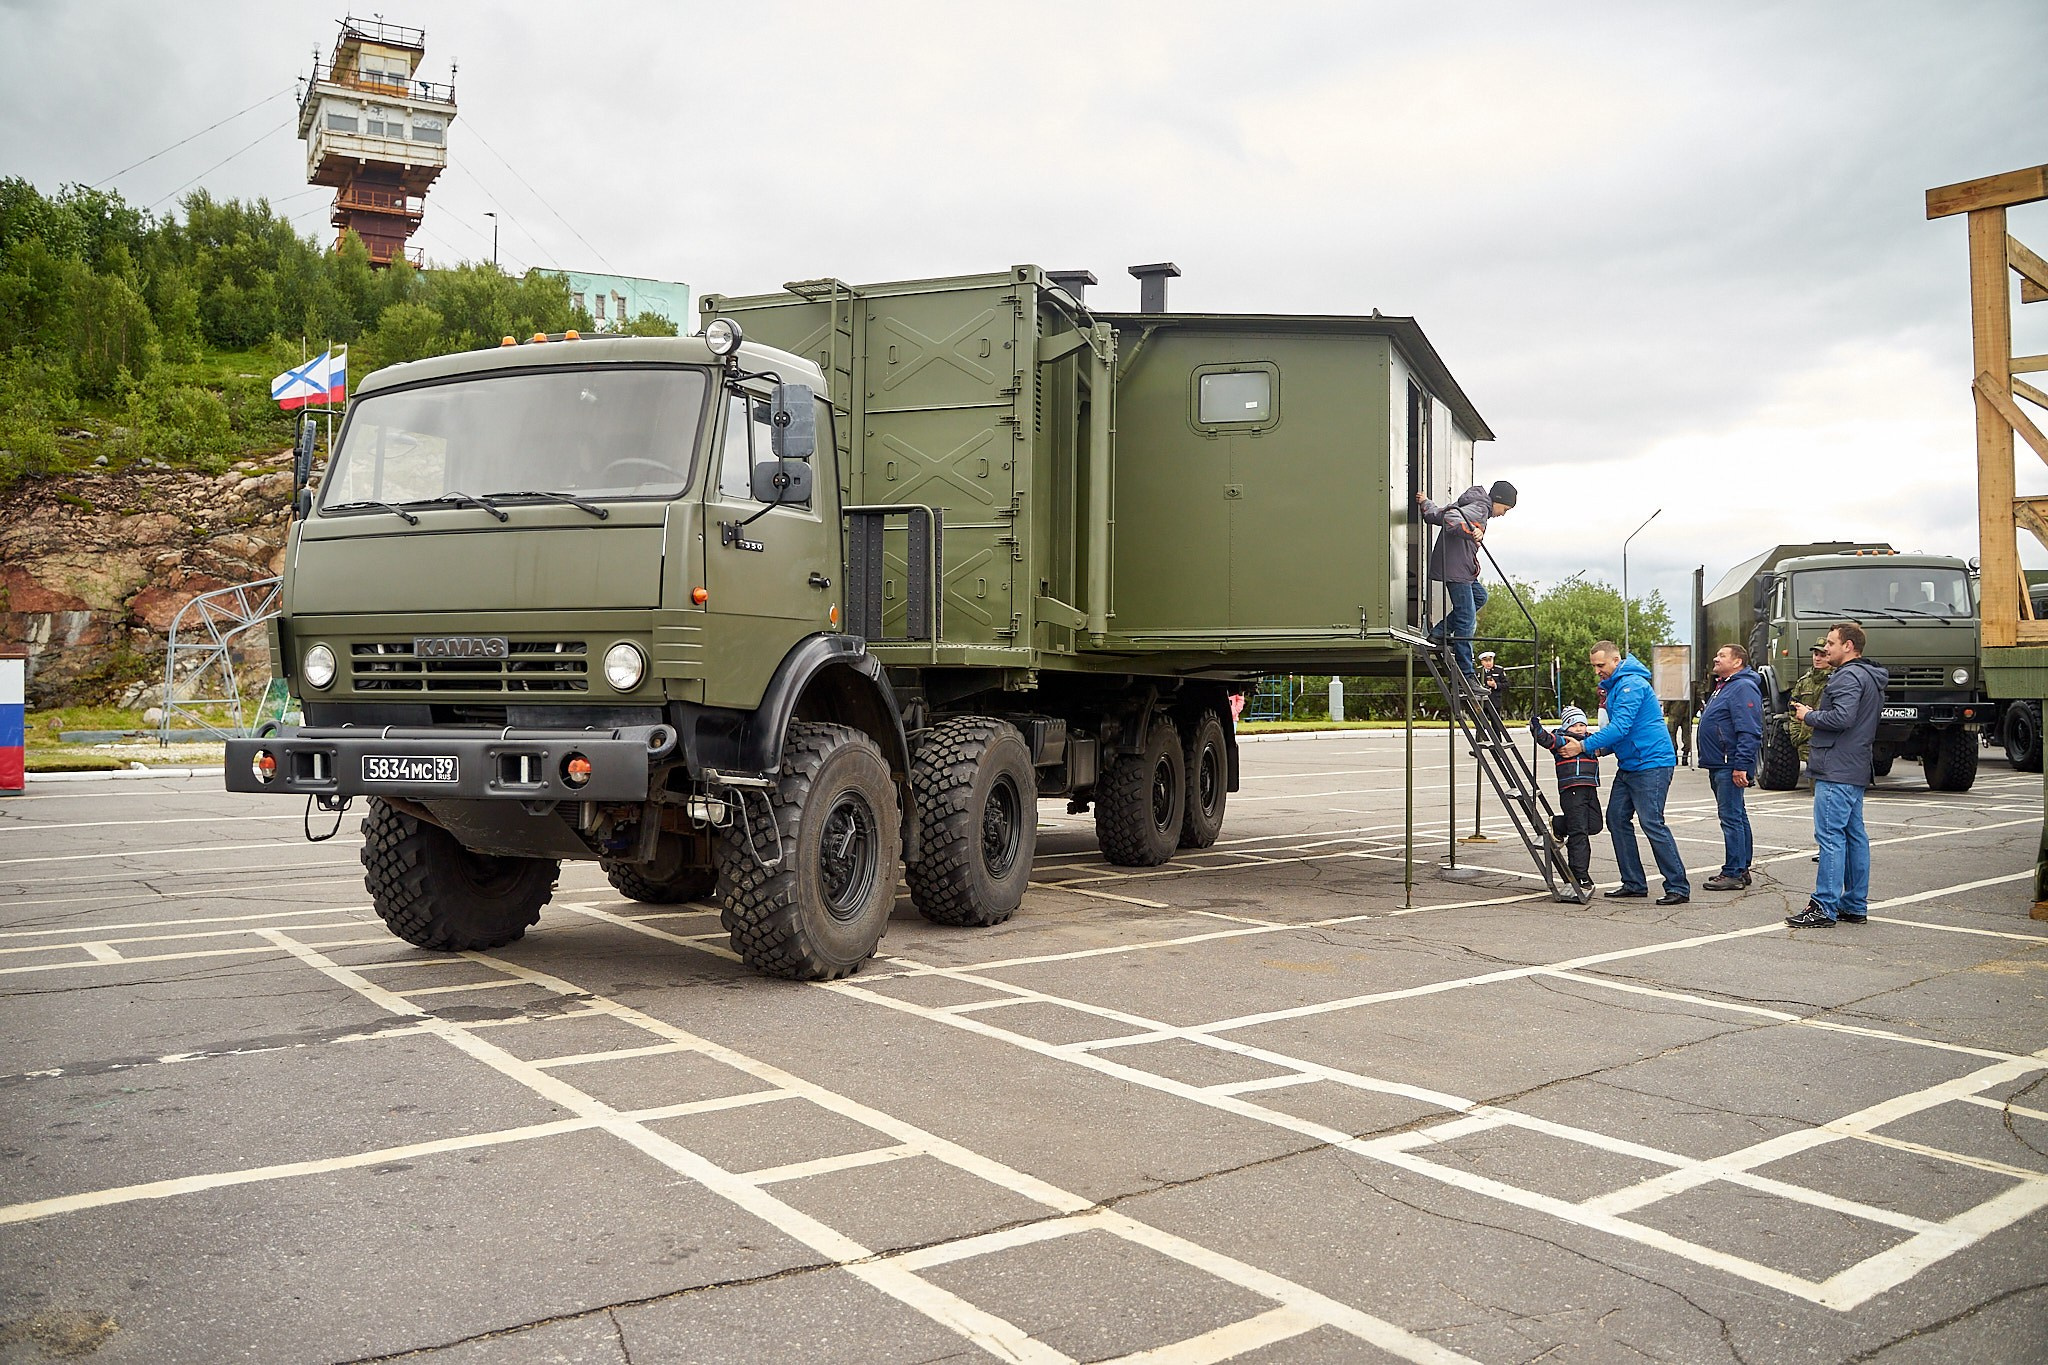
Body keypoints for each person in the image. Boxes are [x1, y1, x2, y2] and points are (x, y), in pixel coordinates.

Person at [1560, 641, 1690, 905]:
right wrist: (1599, 749)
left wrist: (1583, 746)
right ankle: (1633, 882)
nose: (1597, 671)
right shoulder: (1616, 686)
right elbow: (1623, 733)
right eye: (1594, 666)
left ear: (1616, 660)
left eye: (1600, 665)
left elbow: (1620, 727)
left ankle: (1678, 886)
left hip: (1651, 763)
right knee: (1616, 818)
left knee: (1652, 822)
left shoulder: (1632, 685)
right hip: (1631, 764)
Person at [1785, 622, 1888, 927]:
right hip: (1853, 765)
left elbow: (1843, 717)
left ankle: (1823, 906)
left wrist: (1809, 715)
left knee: (1830, 837)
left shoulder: (1847, 676)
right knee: (1854, 837)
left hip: (1836, 767)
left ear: (1848, 646)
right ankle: (1853, 904)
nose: (1825, 648)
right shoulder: (1868, 675)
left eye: (1830, 643)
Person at [1416, 480, 1516, 677]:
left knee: (1480, 597)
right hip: (1458, 570)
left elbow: (1439, 514)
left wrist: (1426, 503)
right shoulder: (1480, 509)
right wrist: (1472, 531)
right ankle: (1467, 673)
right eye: (1505, 509)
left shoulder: (1471, 505)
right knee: (1466, 619)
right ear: (1497, 500)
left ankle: (1440, 632)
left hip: (1463, 569)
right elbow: (1451, 518)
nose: (1503, 514)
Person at [1697, 643, 1764, 891]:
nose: (1716, 658)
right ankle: (1741, 868)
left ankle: (1733, 872)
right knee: (1736, 815)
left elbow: (1749, 730)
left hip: (1729, 763)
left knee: (1731, 818)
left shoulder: (1742, 687)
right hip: (1720, 763)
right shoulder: (1725, 686)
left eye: (1722, 655)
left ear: (1737, 662)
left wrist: (1741, 765)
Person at [1530, 704, 1601, 897]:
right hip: (1572, 790)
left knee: (1594, 825)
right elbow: (1547, 740)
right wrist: (1536, 727)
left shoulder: (1591, 740)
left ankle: (1559, 824)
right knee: (1579, 833)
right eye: (1574, 725)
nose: (1579, 729)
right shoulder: (1563, 739)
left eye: (1582, 724)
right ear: (1566, 726)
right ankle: (1580, 874)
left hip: (1590, 788)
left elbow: (1608, 744)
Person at [1783, 642, 1832, 761]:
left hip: (1828, 744)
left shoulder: (1836, 681)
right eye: (1815, 654)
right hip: (1806, 744)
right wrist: (1797, 736)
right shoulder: (1804, 682)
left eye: (1822, 655)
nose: (1817, 658)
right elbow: (1793, 709)